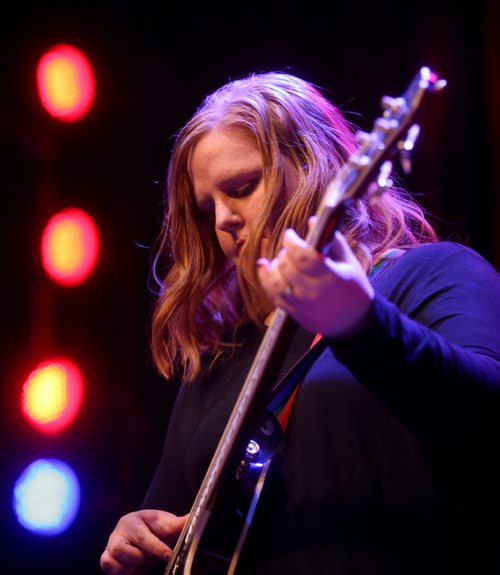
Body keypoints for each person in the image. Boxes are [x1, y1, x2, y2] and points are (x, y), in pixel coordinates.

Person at [100, 71, 500, 575]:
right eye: (208, 207)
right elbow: (177, 524)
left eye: (242, 188)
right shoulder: (222, 358)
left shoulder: (429, 275)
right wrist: (136, 540)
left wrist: (363, 324)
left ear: (314, 166)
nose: (222, 219)